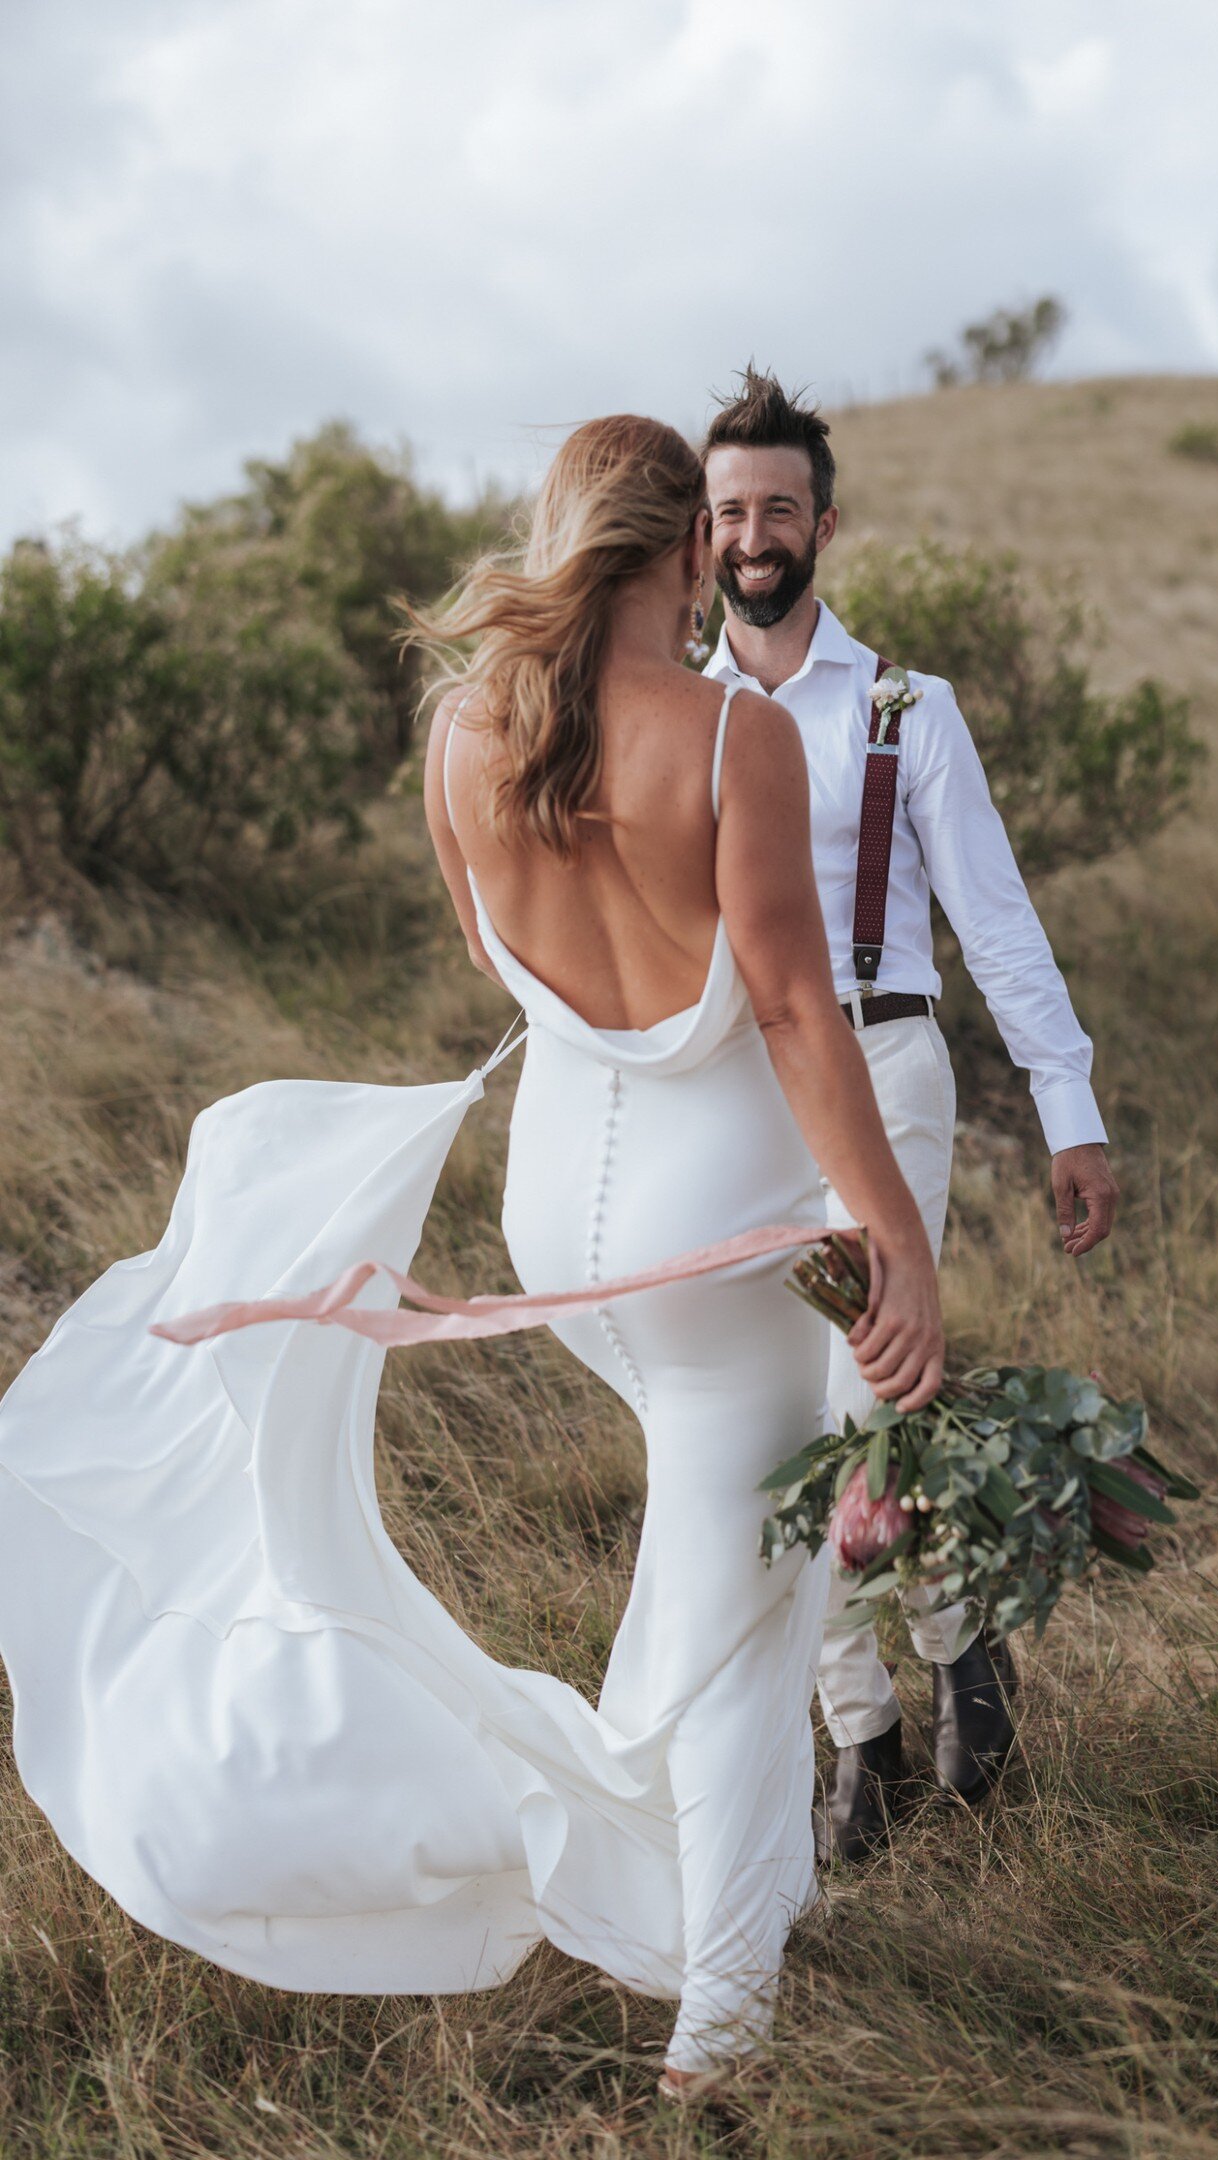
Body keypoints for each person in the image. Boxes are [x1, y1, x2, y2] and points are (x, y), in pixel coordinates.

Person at [0, 414, 943, 2098]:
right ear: (677, 557)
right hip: (710, 1252)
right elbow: (797, 1011)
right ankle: (719, 2032)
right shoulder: (735, 741)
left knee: (708, 1557)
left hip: (563, 1211)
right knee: (748, 1627)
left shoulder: (460, 737)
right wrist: (895, 1240)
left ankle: (686, 1877)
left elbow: (516, 969)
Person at [701, 369, 1120, 1863]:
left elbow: (994, 922)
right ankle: (871, 1729)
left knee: (860, 1417)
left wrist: (1067, 1107)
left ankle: (941, 1663)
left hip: (886, 1070)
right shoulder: (675, 718)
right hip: (733, 1102)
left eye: (779, 508)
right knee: (767, 1436)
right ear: (704, 531)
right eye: (730, 510)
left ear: (826, 522)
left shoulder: (903, 710)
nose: (754, 534)